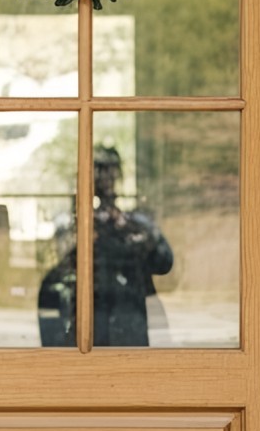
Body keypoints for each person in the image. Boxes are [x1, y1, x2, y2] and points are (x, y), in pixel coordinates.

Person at [38, 145, 174, 346]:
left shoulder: (132, 223)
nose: (105, 179)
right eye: (98, 172)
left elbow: (164, 263)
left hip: (128, 323)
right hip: (86, 325)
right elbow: (54, 272)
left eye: (110, 173)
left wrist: (129, 230)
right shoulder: (71, 225)